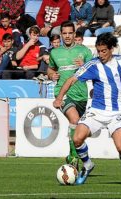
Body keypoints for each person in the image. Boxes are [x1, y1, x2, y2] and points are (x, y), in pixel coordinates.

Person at [53, 32, 121, 185]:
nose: (101, 54)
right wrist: (59, 98)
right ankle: (87, 164)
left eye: (104, 51)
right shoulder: (93, 64)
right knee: (77, 138)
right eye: (98, 51)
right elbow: (72, 79)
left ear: (112, 49)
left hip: (117, 111)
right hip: (96, 110)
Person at [48, 21, 94, 173]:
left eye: (70, 33)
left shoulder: (85, 51)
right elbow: (50, 69)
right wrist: (51, 75)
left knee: (77, 128)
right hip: (63, 93)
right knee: (74, 120)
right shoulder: (55, 52)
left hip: (81, 95)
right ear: (61, 35)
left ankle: (71, 154)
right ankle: (75, 159)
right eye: (64, 33)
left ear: (75, 34)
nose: (67, 36)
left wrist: (85, 65)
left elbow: (95, 70)